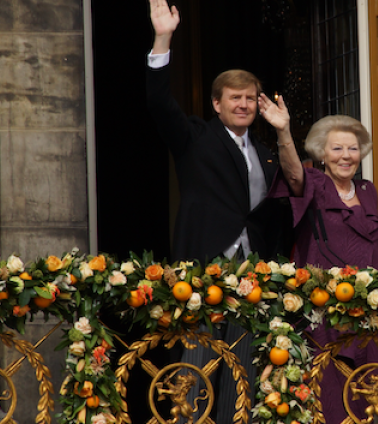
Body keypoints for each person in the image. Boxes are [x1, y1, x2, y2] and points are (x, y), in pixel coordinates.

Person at [139, 1, 291, 423]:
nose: (243, 105)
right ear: (217, 104)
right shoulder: (195, 137)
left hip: (252, 274)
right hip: (202, 266)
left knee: (243, 367)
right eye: (234, 99)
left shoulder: (266, 154)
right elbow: (158, 102)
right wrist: (163, 37)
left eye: (249, 98)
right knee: (197, 364)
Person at [258, 94, 378, 424]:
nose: (346, 156)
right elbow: (293, 174)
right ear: (322, 153)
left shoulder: (368, 190)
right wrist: (283, 131)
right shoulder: (316, 184)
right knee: (327, 395)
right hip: (323, 309)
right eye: (336, 149)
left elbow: (371, 245)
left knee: (367, 393)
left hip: (366, 309)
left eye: (352, 148)